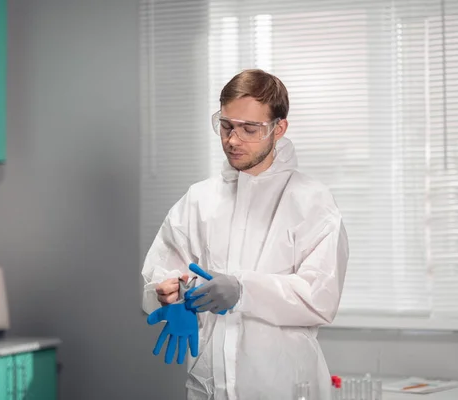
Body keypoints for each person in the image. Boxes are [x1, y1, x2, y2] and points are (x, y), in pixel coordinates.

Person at [141, 69, 349, 400]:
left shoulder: (312, 201)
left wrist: (243, 290)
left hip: (284, 387)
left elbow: (320, 298)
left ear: (278, 128)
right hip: (208, 386)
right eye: (226, 126)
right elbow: (163, 271)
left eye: (249, 129)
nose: (233, 140)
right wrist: (168, 292)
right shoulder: (199, 199)